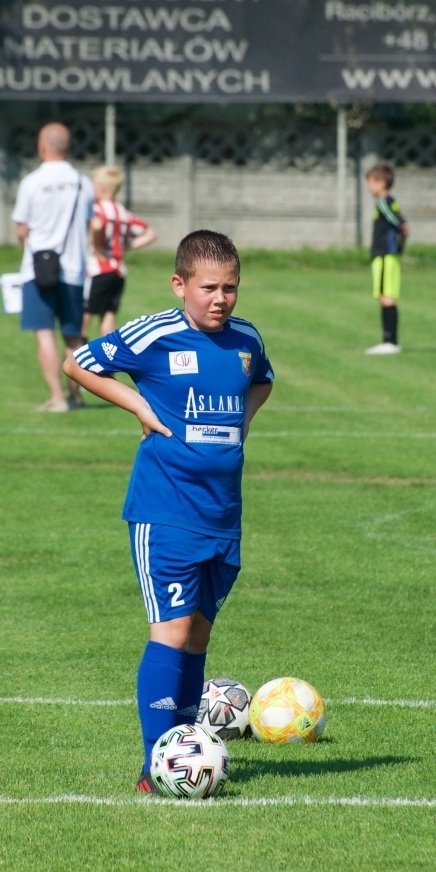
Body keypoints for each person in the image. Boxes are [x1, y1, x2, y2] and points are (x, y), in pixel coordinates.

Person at [61, 230, 274, 793]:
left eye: (230, 288)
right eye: (208, 288)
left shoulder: (245, 340)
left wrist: (244, 421)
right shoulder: (158, 332)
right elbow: (78, 362)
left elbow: (263, 381)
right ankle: (158, 765)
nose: (220, 299)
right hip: (164, 511)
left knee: (199, 634)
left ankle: (187, 746)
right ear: (180, 284)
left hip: (223, 516)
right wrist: (138, 405)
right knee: (172, 631)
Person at [14, 122, 93, 412]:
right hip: (73, 268)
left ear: (42, 146)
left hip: (38, 269)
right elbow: (87, 224)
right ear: (69, 148)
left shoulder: (31, 182)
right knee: (73, 336)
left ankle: (57, 398)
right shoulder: (84, 183)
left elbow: (22, 230)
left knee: (44, 332)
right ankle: (77, 395)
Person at [85, 165, 157, 337]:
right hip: (118, 271)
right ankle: (109, 361)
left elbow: (97, 226)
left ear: (100, 187)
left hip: (97, 269)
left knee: (83, 319)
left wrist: (97, 247)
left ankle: (79, 361)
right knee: (108, 317)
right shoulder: (123, 212)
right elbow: (151, 233)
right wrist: (128, 246)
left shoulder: (95, 208)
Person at [365, 163, 407, 355]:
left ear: (381, 183)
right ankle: (389, 340)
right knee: (385, 297)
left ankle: (389, 341)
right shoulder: (388, 201)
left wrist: (399, 245)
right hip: (387, 256)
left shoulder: (384, 203)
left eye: (371, 182)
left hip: (385, 257)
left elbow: (401, 224)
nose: (368, 187)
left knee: (386, 297)